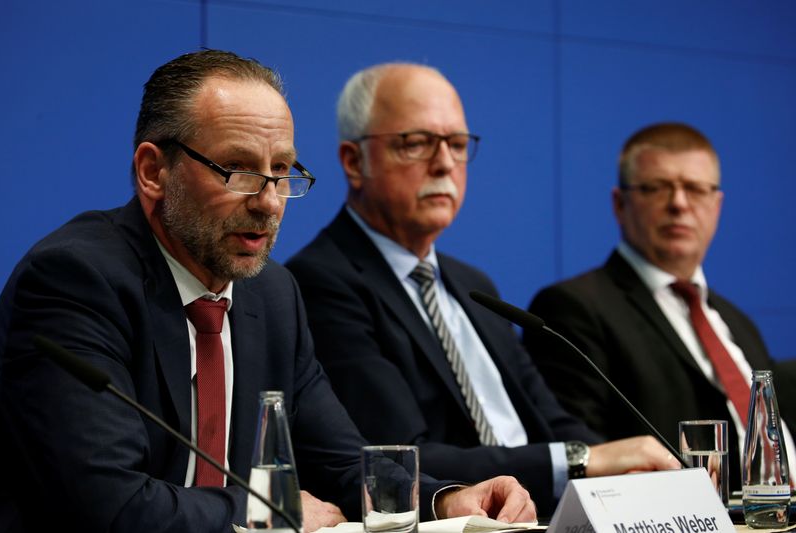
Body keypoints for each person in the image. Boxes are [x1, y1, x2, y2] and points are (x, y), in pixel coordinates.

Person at [0, 50, 536, 533]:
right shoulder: (75, 280)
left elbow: (344, 464)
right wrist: (267, 512)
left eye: (281, 171)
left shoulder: (273, 294)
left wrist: (447, 501)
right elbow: (108, 505)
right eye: (237, 169)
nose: (270, 202)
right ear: (153, 171)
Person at [285, 62, 680, 518]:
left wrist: (631, 472)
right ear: (355, 162)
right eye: (416, 143)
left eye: (456, 144)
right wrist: (581, 461)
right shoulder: (321, 281)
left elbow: (552, 422)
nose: (445, 163)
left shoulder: (473, 285)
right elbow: (396, 456)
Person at [525, 122, 796, 491]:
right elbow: (583, 452)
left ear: (717, 207)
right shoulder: (572, 308)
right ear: (620, 204)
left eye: (696, 189)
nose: (679, 204)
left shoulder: (736, 321)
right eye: (657, 188)